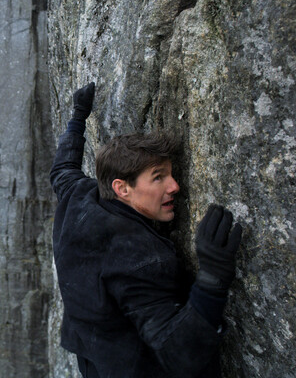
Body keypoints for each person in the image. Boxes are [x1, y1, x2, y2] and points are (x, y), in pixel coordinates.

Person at [51, 83, 243, 377]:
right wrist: (213, 278)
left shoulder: (79, 196)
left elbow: (63, 170)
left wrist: (79, 118)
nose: (175, 186)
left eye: (171, 174)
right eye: (158, 178)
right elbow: (179, 353)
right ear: (122, 188)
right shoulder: (138, 257)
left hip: (95, 360)